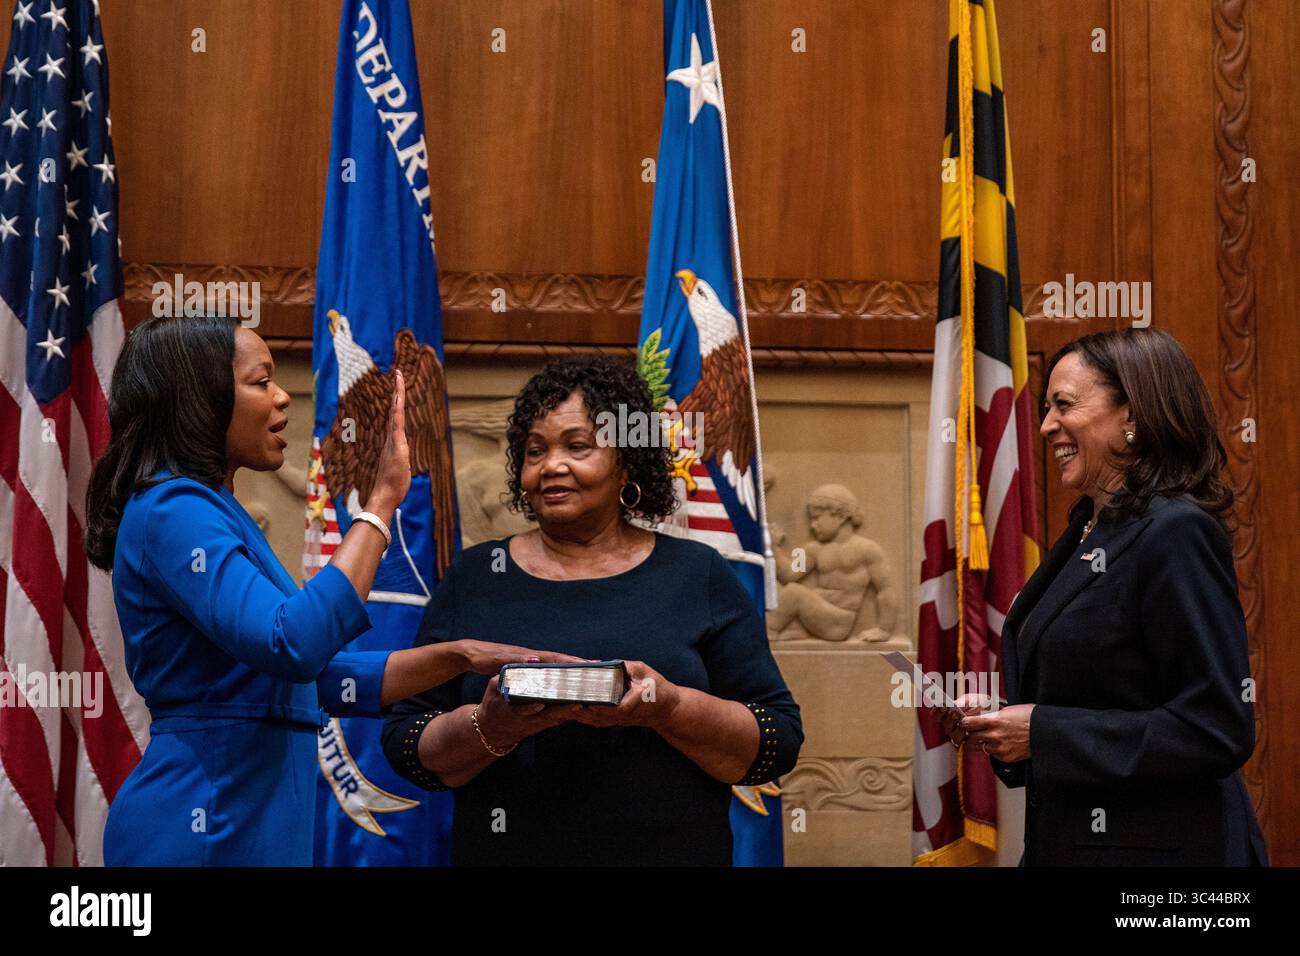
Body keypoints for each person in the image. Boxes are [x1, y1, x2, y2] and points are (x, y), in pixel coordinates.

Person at [87, 316, 565, 865]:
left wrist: (458, 658)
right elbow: (294, 643)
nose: (283, 397)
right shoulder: (174, 509)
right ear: (199, 397)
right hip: (205, 822)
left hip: (250, 815)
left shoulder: (212, 510)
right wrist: (381, 501)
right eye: (260, 381)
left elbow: (319, 679)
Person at [382, 356, 802, 865]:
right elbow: (406, 741)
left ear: (626, 458)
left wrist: (669, 708)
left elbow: (775, 740)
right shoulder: (476, 574)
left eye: (577, 446)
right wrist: (492, 726)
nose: (551, 465)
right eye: (535, 451)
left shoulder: (698, 573)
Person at [942, 328, 1268, 865]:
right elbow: (1099, 697)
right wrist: (1004, 723)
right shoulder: (1088, 531)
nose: (1047, 426)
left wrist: (1042, 731)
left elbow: (1217, 727)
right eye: (1046, 408)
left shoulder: (1175, 532)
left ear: (1133, 416)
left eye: (1063, 405)